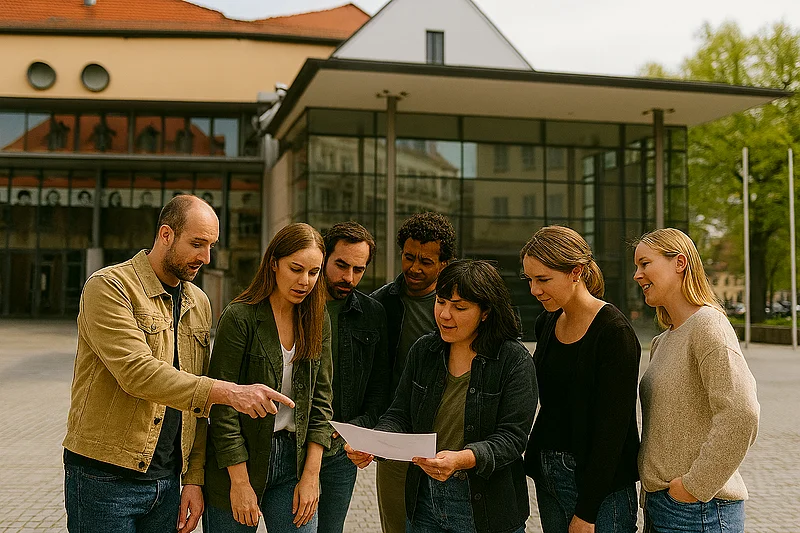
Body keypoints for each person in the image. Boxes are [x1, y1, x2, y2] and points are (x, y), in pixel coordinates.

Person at [63, 195, 294, 533]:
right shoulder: (110, 287)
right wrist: (228, 392)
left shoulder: (197, 301)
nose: (206, 257)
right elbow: (137, 373)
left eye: (211, 245)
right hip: (105, 476)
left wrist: (193, 479)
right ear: (166, 235)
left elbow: (197, 408)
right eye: (198, 244)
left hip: (168, 482)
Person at [347, 260, 537, 533]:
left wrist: (464, 458)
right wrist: (375, 442)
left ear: (485, 312)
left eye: (459, 307)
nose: (445, 315)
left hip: (487, 507)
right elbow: (400, 414)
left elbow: (512, 437)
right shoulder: (425, 350)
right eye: (441, 302)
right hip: (424, 501)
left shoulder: (513, 360)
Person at [203, 222, 334, 533]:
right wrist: (240, 482)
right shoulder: (240, 316)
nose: (305, 281)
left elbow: (322, 401)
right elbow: (221, 405)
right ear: (274, 263)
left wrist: (311, 476)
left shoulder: (318, 319)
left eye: (314, 272)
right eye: (296, 268)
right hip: (238, 459)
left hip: (294, 460)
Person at [633, 228, 759, 533]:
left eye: (645, 263)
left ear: (679, 263)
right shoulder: (664, 340)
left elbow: (741, 414)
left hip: (700, 510)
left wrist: (693, 486)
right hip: (663, 505)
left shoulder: (708, 325)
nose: (637, 275)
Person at [521, 225, 640, 533]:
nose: (534, 289)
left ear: (576, 272)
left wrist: (587, 513)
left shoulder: (614, 332)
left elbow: (612, 431)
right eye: (530, 279)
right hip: (549, 478)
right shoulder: (546, 321)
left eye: (543, 279)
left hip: (601, 492)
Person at [370, 211, 456, 533]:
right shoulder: (381, 305)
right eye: (409, 257)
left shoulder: (460, 307)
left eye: (426, 261)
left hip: (450, 440)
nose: (415, 268)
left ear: (444, 264)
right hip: (398, 435)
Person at [318, 222, 390, 533]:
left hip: (339, 451)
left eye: (358, 269)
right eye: (341, 265)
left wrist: (359, 427)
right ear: (323, 258)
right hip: (290, 442)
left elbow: (379, 387)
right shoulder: (294, 304)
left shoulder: (372, 314)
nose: (349, 277)